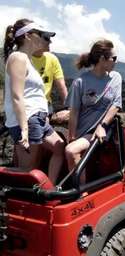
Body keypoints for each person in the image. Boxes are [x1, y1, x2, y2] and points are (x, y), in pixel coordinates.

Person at [3, 19, 65, 184]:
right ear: (28, 36)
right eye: (42, 34)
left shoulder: (26, 59)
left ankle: (48, 188)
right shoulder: (18, 57)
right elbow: (17, 96)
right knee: (27, 169)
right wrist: (24, 128)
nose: (46, 39)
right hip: (28, 119)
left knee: (59, 147)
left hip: (37, 118)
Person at [65, 39, 122, 172]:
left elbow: (116, 105)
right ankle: (81, 190)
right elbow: (74, 112)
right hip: (82, 133)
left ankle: (81, 192)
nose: (116, 61)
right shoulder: (80, 82)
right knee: (72, 151)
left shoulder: (116, 78)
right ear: (102, 59)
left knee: (70, 151)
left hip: (100, 132)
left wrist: (102, 126)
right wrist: (72, 138)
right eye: (114, 58)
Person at [32, 36, 68, 115]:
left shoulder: (52, 58)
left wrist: (69, 108)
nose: (50, 42)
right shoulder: (23, 59)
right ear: (35, 39)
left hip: (46, 106)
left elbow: (61, 86)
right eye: (47, 39)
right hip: (28, 107)